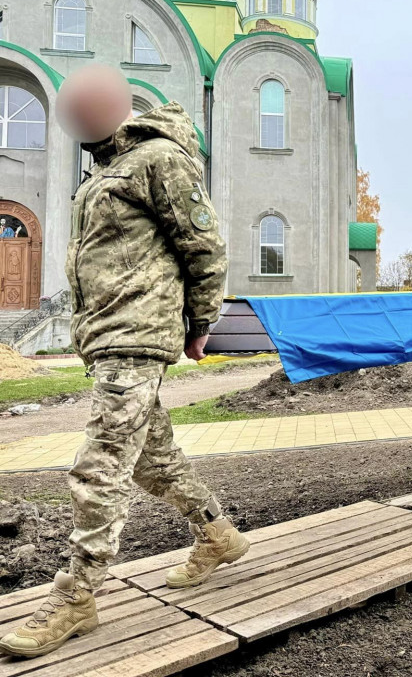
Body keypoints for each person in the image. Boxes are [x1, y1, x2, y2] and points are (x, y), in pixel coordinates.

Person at [1, 66, 247, 660]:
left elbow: (204, 244)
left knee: (99, 465)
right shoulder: (106, 170)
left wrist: (202, 320)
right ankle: (216, 532)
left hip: (141, 331)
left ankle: (78, 594)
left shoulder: (160, 159)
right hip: (109, 333)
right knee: (152, 461)